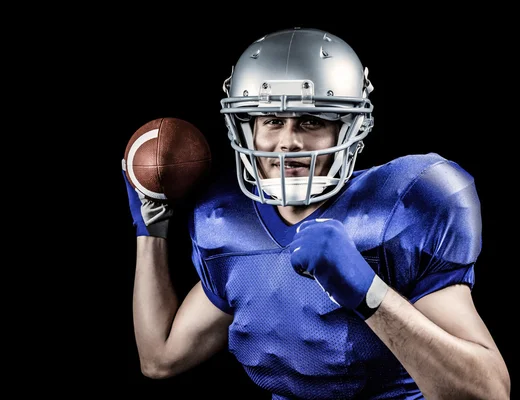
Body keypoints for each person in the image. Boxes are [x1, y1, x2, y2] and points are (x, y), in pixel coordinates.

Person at [122, 27, 510, 399]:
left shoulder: (399, 210)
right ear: (247, 130)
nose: (288, 141)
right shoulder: (230, 223)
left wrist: (371, 294)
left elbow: (488, 390)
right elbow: (160, 359)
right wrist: (151, 231)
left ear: (347, 129)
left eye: (310, 121)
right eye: (272, 121)